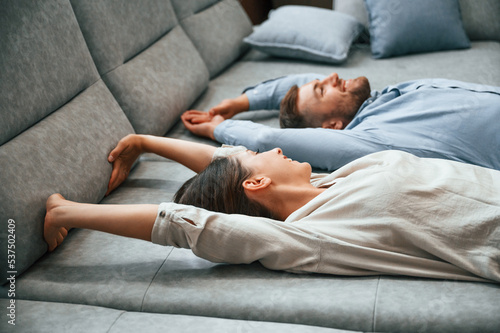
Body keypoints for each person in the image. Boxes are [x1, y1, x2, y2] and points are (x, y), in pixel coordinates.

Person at [44, 134, 500, 283]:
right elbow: (192, 224)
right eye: (261, 158)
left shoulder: (329, 184)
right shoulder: (312, 234)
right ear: (258, 182)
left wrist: (145, 142)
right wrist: (64, 212)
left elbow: (229, 165)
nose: (275, 147)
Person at [181, 73, 500, 171]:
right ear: (332, 127)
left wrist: (240, 102)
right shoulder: (371, 138)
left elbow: (303, 81)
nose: (332, 78)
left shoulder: (382, 98)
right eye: (323, 89)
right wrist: (216, 128)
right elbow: (267, 140)